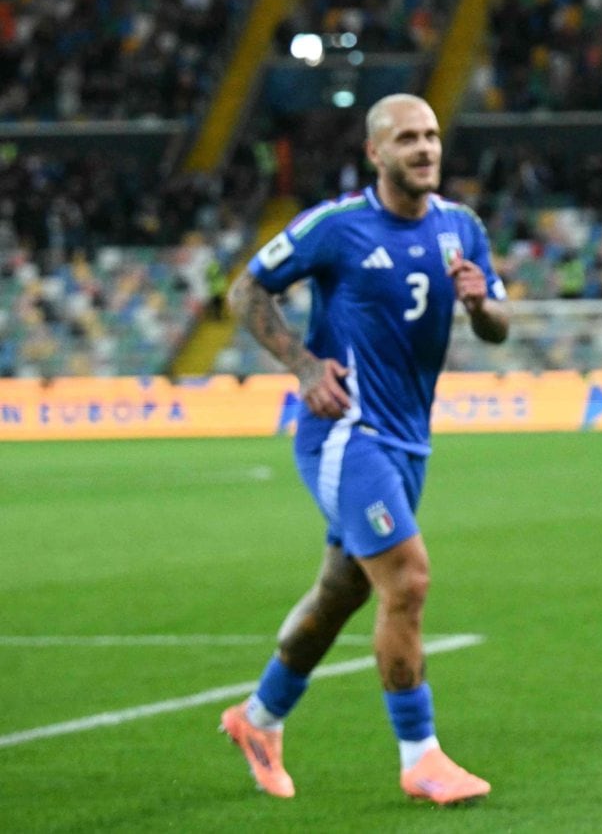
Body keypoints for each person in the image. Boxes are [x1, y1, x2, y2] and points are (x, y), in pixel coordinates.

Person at [217, 94, 508, 806]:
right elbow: (246, 288)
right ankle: (422, 756)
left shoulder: (461, 228)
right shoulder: (336, 227)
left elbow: (500, 322)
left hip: (410, 441)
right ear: (376, 152)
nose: (425, 148)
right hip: (348, 432)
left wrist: (480, 305)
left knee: (342, 590)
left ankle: (257, 718)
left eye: (432, 136)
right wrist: (305, 366)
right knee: (406, 579)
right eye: (407, 138)